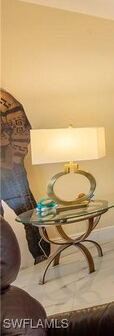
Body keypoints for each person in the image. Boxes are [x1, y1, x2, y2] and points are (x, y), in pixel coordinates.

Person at [1, 88, 50, 264]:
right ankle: (3, 266)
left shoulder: (4, 100)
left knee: (27, 213)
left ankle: (41, 255)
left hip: (7, 169)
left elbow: (22, 130)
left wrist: (13, 160)